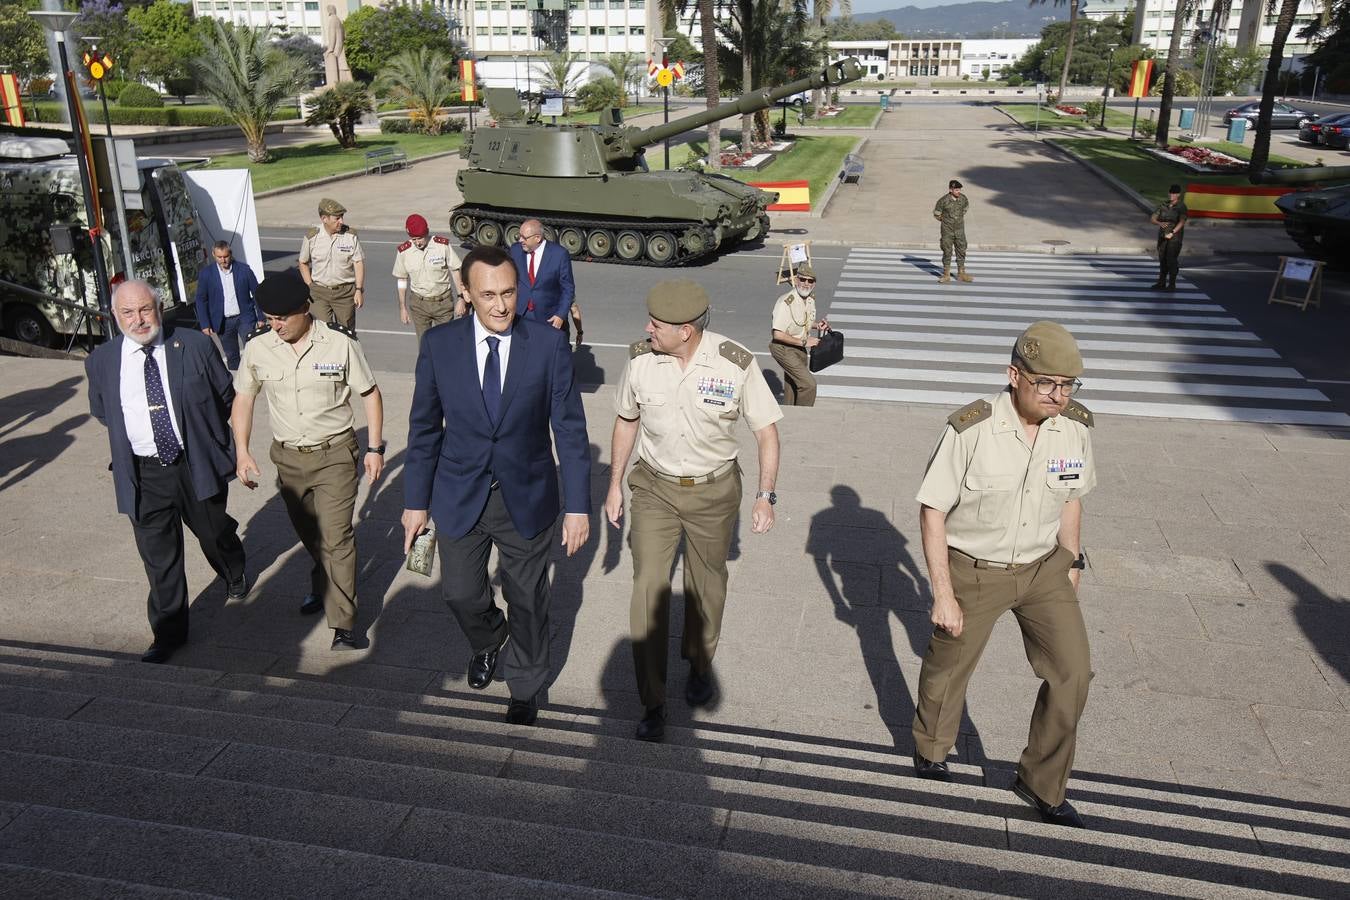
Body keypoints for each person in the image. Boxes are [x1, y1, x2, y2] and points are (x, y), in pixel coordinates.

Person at [910, 320, 1096, 829]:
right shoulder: (971, 428)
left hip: (1043, 569)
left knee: (1073, 672)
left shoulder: (1074, 426)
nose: (1059, 396)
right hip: (974, 569)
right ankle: (931, 750)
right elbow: (932, 511)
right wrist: (942, 593)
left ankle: (1041, 781)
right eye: (1047, 384)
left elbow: (1072, 497)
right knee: (950, 665)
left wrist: (1073, 562)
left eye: (1068, 385)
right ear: (1014, 375)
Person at [401, 245, 591, 726]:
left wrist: (578, 507)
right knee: (460, 593)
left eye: (509, 292)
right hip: (459, 493)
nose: (502, 305)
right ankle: (490, 639)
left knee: (527, 599)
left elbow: (569, 430)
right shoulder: (440, 345)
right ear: (465, 293)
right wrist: (415, 502)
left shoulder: (547, 347)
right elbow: (424, 429)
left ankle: (526, 684)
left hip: (526, 495)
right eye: (488, 295)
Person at [604, 280, 783, 742]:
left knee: (707, 585)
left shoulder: (734, 362)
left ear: (686, 330)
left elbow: (765, 431)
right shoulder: (641, 360)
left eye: (656, 324)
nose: (648, 328)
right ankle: (652, 702)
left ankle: (700, 661)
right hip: (654, 489)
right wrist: (614, 486)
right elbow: (626, 420)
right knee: (648, 589)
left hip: (713, 491)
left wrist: (766, 495)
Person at [86, 280, 248, 664]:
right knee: (159, 559)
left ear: (159, 308)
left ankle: (233, 566)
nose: (138, 320)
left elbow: (226, 395)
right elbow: (101, 409)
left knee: (213, 531)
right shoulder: (101, 360)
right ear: (115, 316)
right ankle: (168, 633)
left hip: (194, 465)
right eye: (128, 312)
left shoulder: (192, 345)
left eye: (145, 309)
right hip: (144, 473)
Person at [231, 267, 385, 651]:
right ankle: (323, 580)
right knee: (311, 535)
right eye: (269, 318)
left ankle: (344, 623)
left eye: (282, 317)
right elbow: (244, 398)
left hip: (334, 453)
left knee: (337, 537)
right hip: (288, 460)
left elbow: (369, 393)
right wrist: (243, 451)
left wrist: (375, 447)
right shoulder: (258, 347)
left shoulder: (339, 343)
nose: (275, 325)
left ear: (305, 308)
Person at [394, 213, 465, 341]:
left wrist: (461, 298)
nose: (417, 243)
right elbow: (402, 280)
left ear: (427, 232)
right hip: (419, 305)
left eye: (420, 238)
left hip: (442, 304)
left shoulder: (442, 246)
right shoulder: (404, 252)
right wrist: (402, 307)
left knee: (446, 344)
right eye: (414, 239)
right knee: (425, 347)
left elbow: (455, 271)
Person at [768, 262, 830, 407]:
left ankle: (789, 413)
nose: (806, 284)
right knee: (808, 385)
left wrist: (816, 325)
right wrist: (804, 342)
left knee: (793, 386)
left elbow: (803, 321)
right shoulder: (786, 302)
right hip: (783, 348)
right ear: (796, 280)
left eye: (810, 281)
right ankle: (802, 417)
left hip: (798, 348)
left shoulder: (809, 299)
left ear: (814, 284)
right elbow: (778, 334)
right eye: (802, 279)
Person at [298, 197, 365, 332]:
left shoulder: (350, 236)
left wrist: (359, 290)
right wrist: (310, 285)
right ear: (324, 219)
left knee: (346, 333)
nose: (341, 221)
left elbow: (358, 263)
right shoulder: (312, 237)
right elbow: (303, 262)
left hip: (344, 293)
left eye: (342, 217)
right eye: (337, 218)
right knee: (322, 332)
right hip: (319, 292)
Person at [194, 241, 261, 370]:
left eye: (225, 256)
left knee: (252, 350)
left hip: (244, 318)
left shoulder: (244, 270)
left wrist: (261, 317)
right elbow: (201, 299)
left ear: (230, 254)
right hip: (223, 322)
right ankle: (237, 383)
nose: (223, 260)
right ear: (214, 255)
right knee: (232, 356)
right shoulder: (206, 274)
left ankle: (256, 380)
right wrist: (205, 323)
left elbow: (257, 293)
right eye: (220, 257)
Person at [510, 218, 575, 334]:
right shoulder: (515, 250)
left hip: (548, 317)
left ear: (538, 238)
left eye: (524, 237)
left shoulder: (559, 255)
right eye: (519, 236)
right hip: (520, 314)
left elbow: (568, 289)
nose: (520, 240)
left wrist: (560, 315)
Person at [933, 179, 972, 284]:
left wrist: (958, 218)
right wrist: (946, 221)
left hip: (959, 230)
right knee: (947, 251)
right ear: (951, 190)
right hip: (947, 231)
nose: (958, 191)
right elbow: (936, 214)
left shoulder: (963, 199)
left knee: (961, 250)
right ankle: (946, 275)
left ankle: (961, 273)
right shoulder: (943, 201)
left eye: (959, 189)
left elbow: (965, 208)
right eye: (956, 190)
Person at [1150, 184, 1187, 291]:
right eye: (1170, 193)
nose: (1171, 195)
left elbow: (1182, 222)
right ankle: (1161, 283)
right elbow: (1152, 218)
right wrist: (1158, 222)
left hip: (1175, 238)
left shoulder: (1181, 207)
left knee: (1171, 260)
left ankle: (1172, 284)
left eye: (1174, 193)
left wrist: (1172, 232)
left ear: (1178, 195)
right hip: (1162, 236)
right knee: (1162, 259)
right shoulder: (1163, 205)